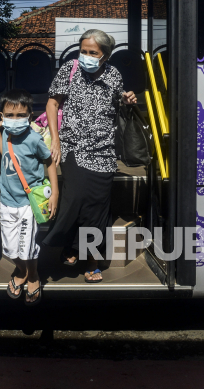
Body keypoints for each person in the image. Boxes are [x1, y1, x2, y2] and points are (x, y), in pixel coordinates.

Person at [42, 29, 137, 283]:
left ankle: (89, 258)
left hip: (104, 150)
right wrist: (56, 139)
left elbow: (119, 105)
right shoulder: (70, 70)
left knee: (97, 206)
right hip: (74, 146)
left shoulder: (114, 75)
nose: (86, 56)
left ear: (105, 55)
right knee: (76, 197)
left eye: (92, 53)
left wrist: (128, 100)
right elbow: (52, 103)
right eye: (83, 51)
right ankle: (70, 245)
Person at [0, 89, 59, 305]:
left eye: (20, 115)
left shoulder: (34, 139)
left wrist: (55, 193)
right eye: (9, 115)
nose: (15, 119)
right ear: (2, 116)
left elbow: (49, 162)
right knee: (10, 248)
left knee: (28, 246)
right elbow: (5, 155)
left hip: (27, 203)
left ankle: (32, 275)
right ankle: (20, 269)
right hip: (7, 201)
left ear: (29, 115)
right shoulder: (5, 133)